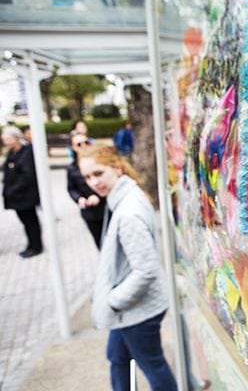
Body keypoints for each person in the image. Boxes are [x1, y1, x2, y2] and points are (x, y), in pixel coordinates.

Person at [78, 145, 178, 391]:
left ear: (116, 168)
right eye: (88, 177)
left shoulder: (128, 212)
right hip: (131, 309)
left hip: (137, 310)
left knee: (153, 366)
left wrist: (113, 301)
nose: (93, 182)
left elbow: (146, 270)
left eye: (98, 173)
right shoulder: (124, 198)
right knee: (118, 358)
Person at [1, 126, 43, 258]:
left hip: (25, 196)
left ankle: (36, 246)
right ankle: (31, 245)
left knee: (30, 221)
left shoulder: (26, 152)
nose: (5, 141)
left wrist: (13, 189)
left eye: (7, 138)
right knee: (26, 221)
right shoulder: (12, 152)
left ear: (15, 138)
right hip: (16, 196)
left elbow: (27, 175)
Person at [67, 132, 105, 248]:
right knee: (99, 242)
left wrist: (98, 196)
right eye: (79, 144)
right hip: (89, 212)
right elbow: (71, 188)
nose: (83, 146)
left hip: (106, 208)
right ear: (73, 147)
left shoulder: (101, 161)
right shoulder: (72, 168)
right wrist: (79, 198)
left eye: (86, 142)